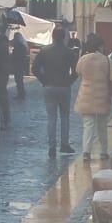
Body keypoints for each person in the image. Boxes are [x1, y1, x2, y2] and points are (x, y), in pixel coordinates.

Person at [73, 34, 112, 162]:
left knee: (88, 125)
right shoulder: (106, 60)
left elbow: (78, 71)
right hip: (102, 97)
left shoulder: (83, 59)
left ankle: (86, 152)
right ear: (99, 46)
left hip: (86, 97)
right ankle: (103, 152)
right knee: (102, 126)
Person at [35, 26, 80, 158]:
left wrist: (43, 80)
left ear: (53, 36)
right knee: (65, 117)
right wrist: (69, 81)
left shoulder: (44, 51)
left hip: (49, 86)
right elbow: (76, 71)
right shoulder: (69, 52)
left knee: (51, 118)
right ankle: (64, 144)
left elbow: (35, 68)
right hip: (64, 86)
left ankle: (52, 147)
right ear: (64, 37)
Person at [10, 30, 29, 97]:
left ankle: (21, 94)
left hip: (18, 65)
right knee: (19, 80)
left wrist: (12, 55)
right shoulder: (22, 45)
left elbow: (16, 56)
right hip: (20, 65)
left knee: (18, 80)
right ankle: (21, 93)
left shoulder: (18, 46)